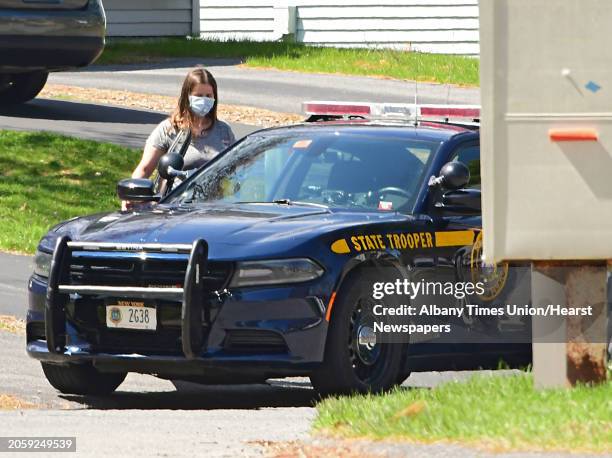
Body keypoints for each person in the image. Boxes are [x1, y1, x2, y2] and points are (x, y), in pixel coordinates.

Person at [124, 68, 235, 209]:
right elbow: (145, 169)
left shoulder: (224, 130)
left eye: (209, 95)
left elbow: (236, 168)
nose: (204, 100)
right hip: (175, 210)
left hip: (215, 209)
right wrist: (130, 194)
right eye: (199, 95)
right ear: (187, 96)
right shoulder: (169, 129)